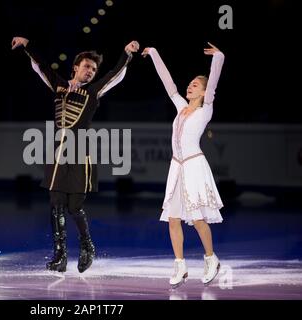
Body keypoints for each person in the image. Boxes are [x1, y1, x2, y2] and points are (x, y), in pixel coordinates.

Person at [12, 36, 140, 273]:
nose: (90, 71)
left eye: (93, 68)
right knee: (56, 203)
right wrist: (28, 44)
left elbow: (114, 74)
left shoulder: (93, 92)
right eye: (87, 67)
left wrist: (126, 53)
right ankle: (60, 256)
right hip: (59, 152)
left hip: (81, 153)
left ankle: (87, 246)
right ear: (76, 67)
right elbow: (41, 67)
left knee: (74, 206)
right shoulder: (59, 85)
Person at [142, 42, 225, 288]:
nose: (190, 86)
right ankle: (180, 264)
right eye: (190, 83)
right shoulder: (181, 107)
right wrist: (155, 53)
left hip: (194, 166)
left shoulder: (205, 110)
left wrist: (218, 57)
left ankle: (211, 258)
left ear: (203, 92)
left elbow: (214, 83)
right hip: (176, 167)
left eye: (195, 85)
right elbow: (169, 84)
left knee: (198, 218)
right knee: (173, 218)